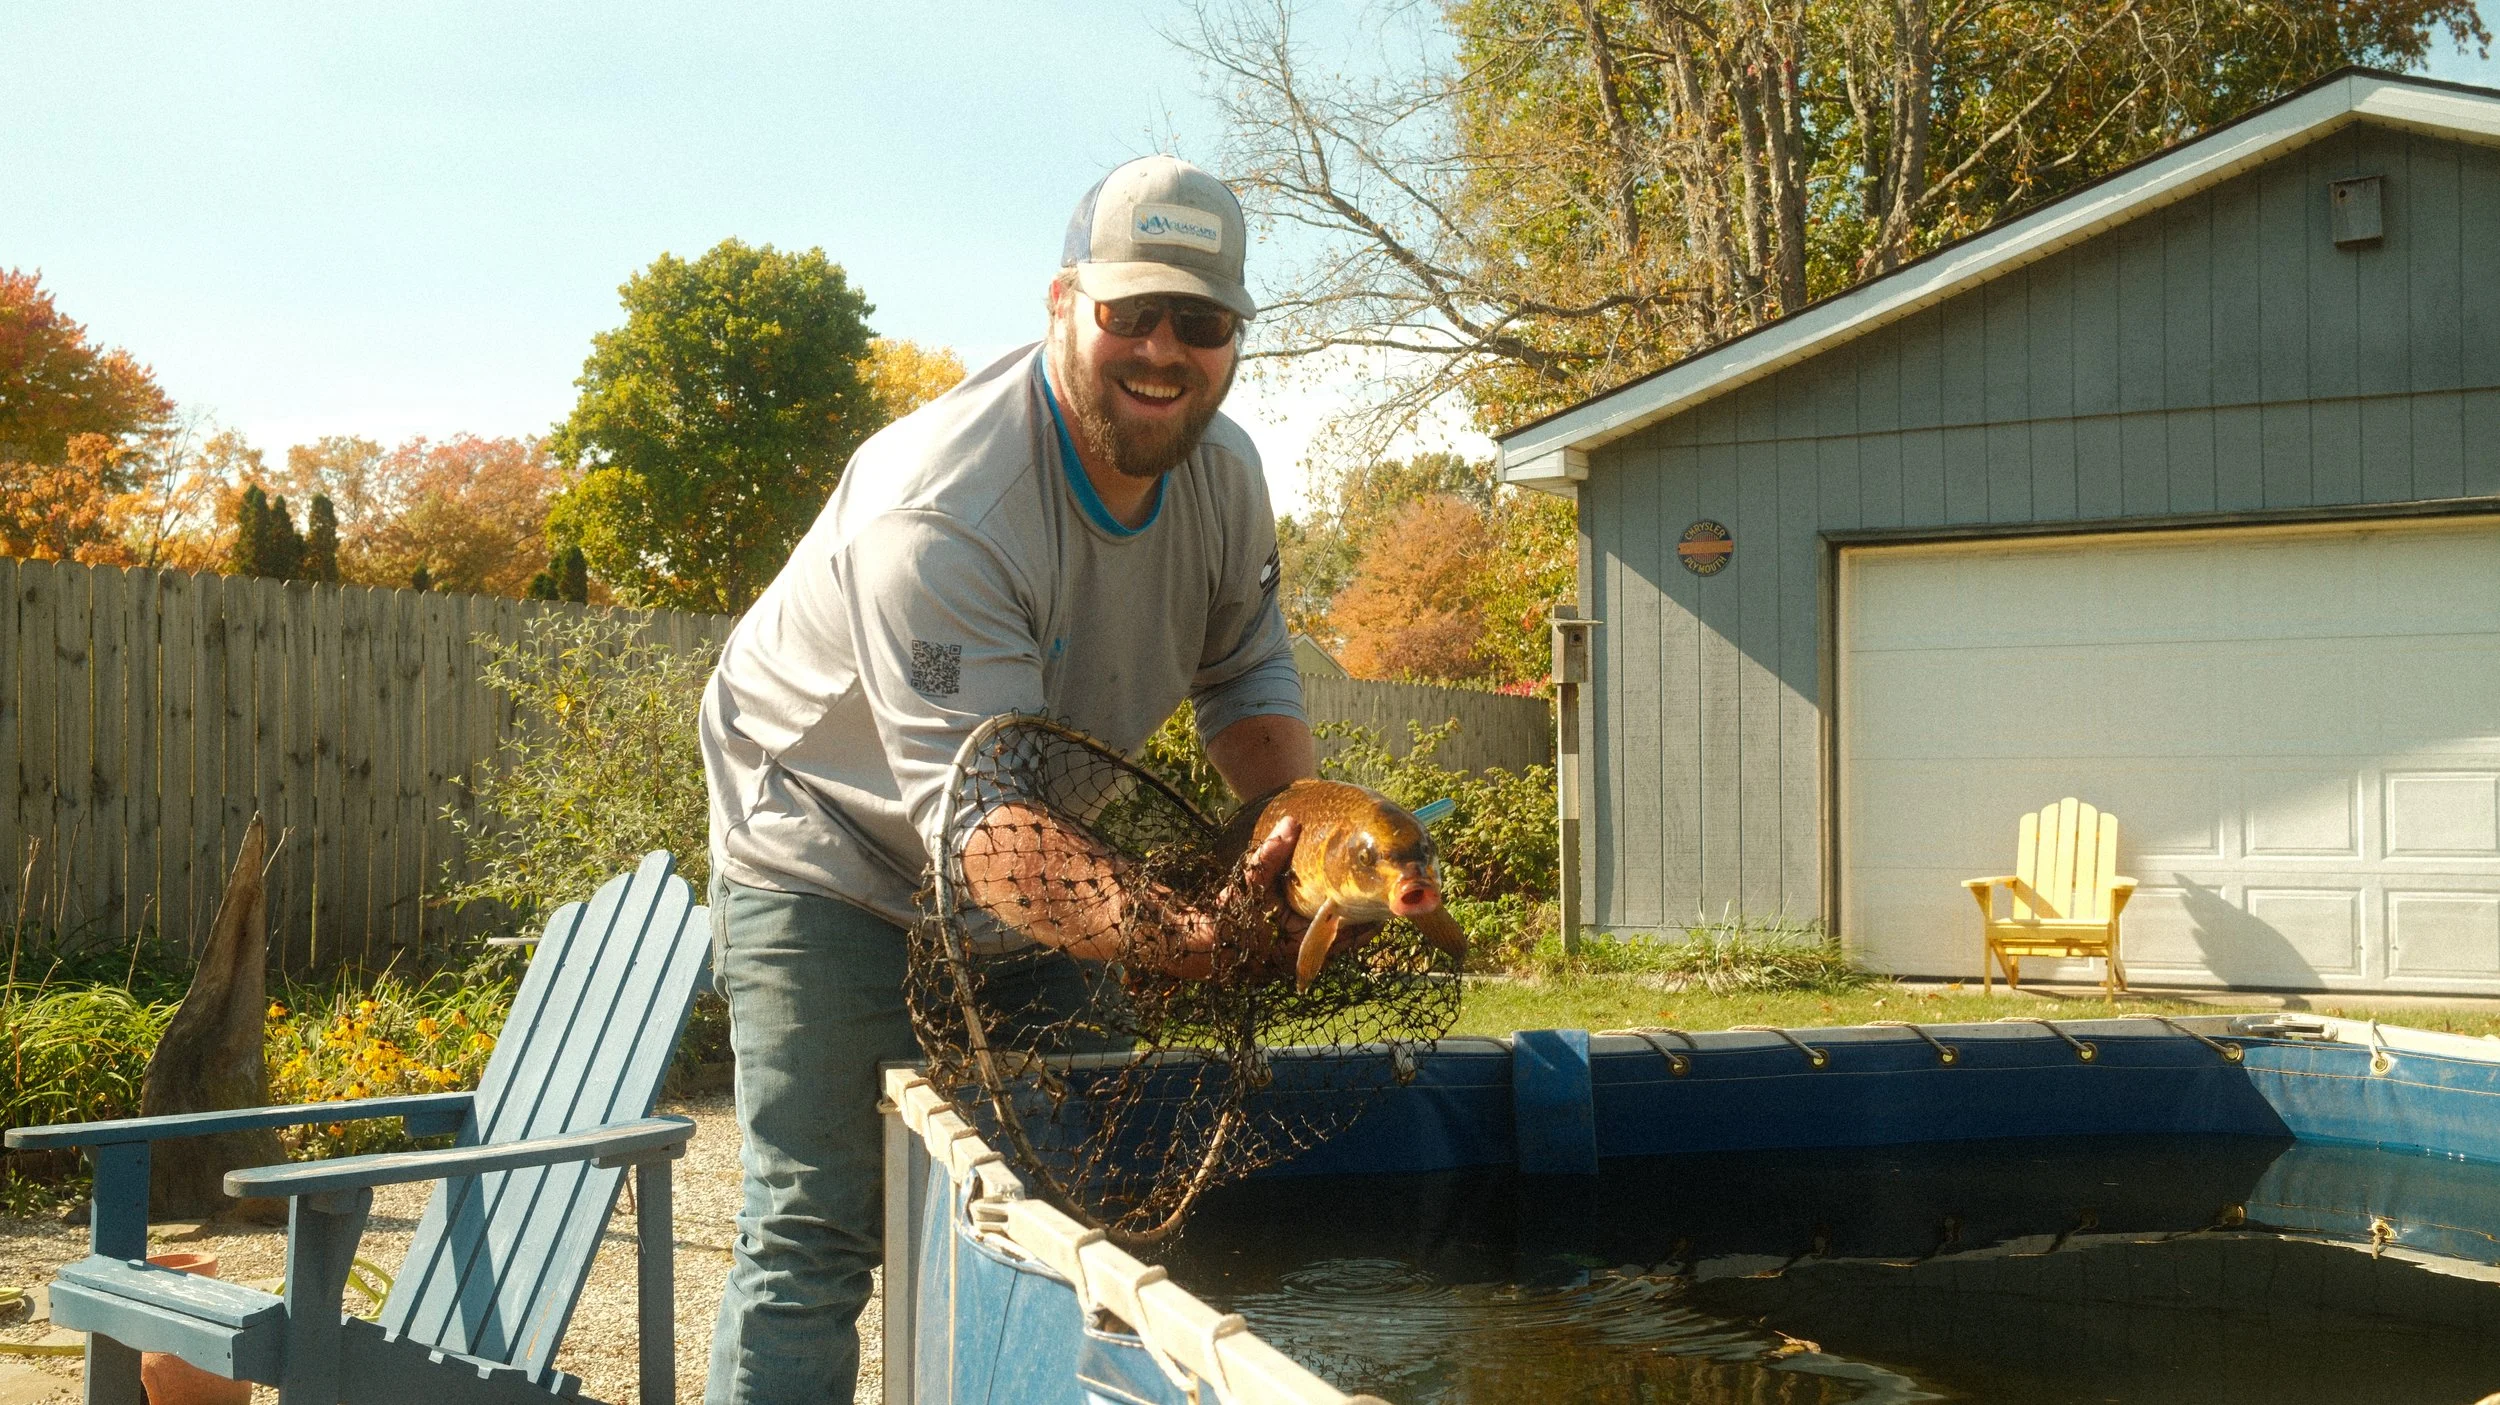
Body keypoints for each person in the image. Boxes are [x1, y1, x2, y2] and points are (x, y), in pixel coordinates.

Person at [696, 154, 1318, 1404]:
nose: (1160, 349)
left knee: (1083, 1207)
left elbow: (1246, 680)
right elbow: (977, 828)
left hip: (1040, 848)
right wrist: (1192, 938)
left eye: (1197, 323)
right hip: (826, 849)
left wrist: (1302, 853)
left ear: (1234, 340)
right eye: (1127, 313)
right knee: (819, 1231)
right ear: (1059, 304)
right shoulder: (941, 505)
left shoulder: (1228, 477)